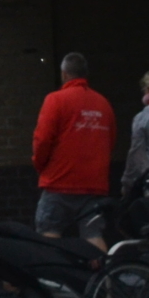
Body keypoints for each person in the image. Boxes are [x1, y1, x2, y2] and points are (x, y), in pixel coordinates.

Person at [31, 51, 114, 244]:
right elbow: (110, 140)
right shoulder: (103, 104)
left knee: (49, 232)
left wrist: (40, 166)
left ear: (64, 74)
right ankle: (105, 273)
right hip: (93, 183)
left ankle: (53, 274)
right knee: (92, 234)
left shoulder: (55, 100)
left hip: (59, 181)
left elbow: (42, 139)